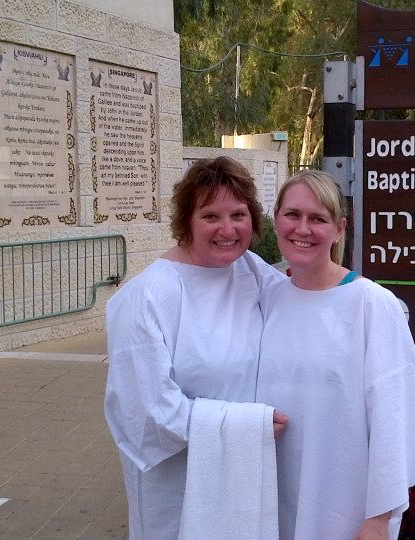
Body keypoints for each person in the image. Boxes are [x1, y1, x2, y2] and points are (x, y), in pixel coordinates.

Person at [104, 156, 286, 540]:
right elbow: (149, 412)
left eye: (238, 214)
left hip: (244, 471)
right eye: (210, 216)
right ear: (186, 221)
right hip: (178, 485)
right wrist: (247, 427)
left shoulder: (250, 270)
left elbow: (300, 313)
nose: (227, 229)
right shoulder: (149, 297)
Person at [256, 170, 415, 540]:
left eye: (317, 219)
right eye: (292, 214)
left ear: (339, 229)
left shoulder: (371, 304)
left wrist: (379, 518)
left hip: (344, 502)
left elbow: (393, 416)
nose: (302, 228)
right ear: (275, 219)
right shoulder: (267, 298)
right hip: (272, 496)